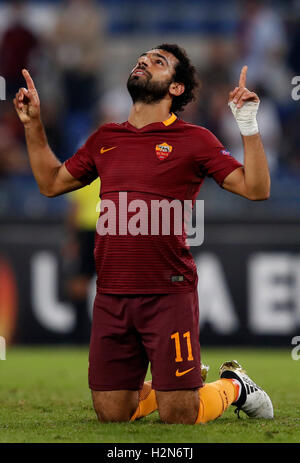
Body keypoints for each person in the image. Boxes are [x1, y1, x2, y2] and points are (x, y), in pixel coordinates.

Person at [14, 43, 273, 424]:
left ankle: (234, 385)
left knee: (180, 415)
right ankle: (176, 383)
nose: (143, 62)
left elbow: (256, 189)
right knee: (112, 412)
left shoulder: (195, 139)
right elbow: (51, 183)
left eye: (158, 62)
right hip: (112, 292)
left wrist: (248, 124)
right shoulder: (105, 138)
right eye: (141, 59)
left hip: (168, 293)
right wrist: (33, 124)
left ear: (177, 88)